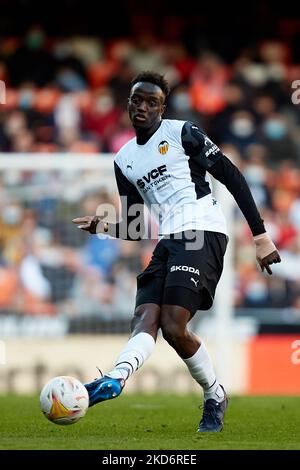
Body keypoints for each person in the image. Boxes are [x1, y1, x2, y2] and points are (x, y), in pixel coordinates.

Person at [72, 71, 281, 432]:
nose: (143, 107)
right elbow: (137, 225)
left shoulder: (183, 133)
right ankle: (115, 380)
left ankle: (215, 396)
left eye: (151, 102)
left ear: (161, 108)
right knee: (146, 318)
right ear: (128, 104)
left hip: (203, 231)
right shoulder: (124, 160)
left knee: (173, 323)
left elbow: (232, 175)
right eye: (137, 100)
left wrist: (260, 236)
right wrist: (105, 225)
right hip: (168, 239)